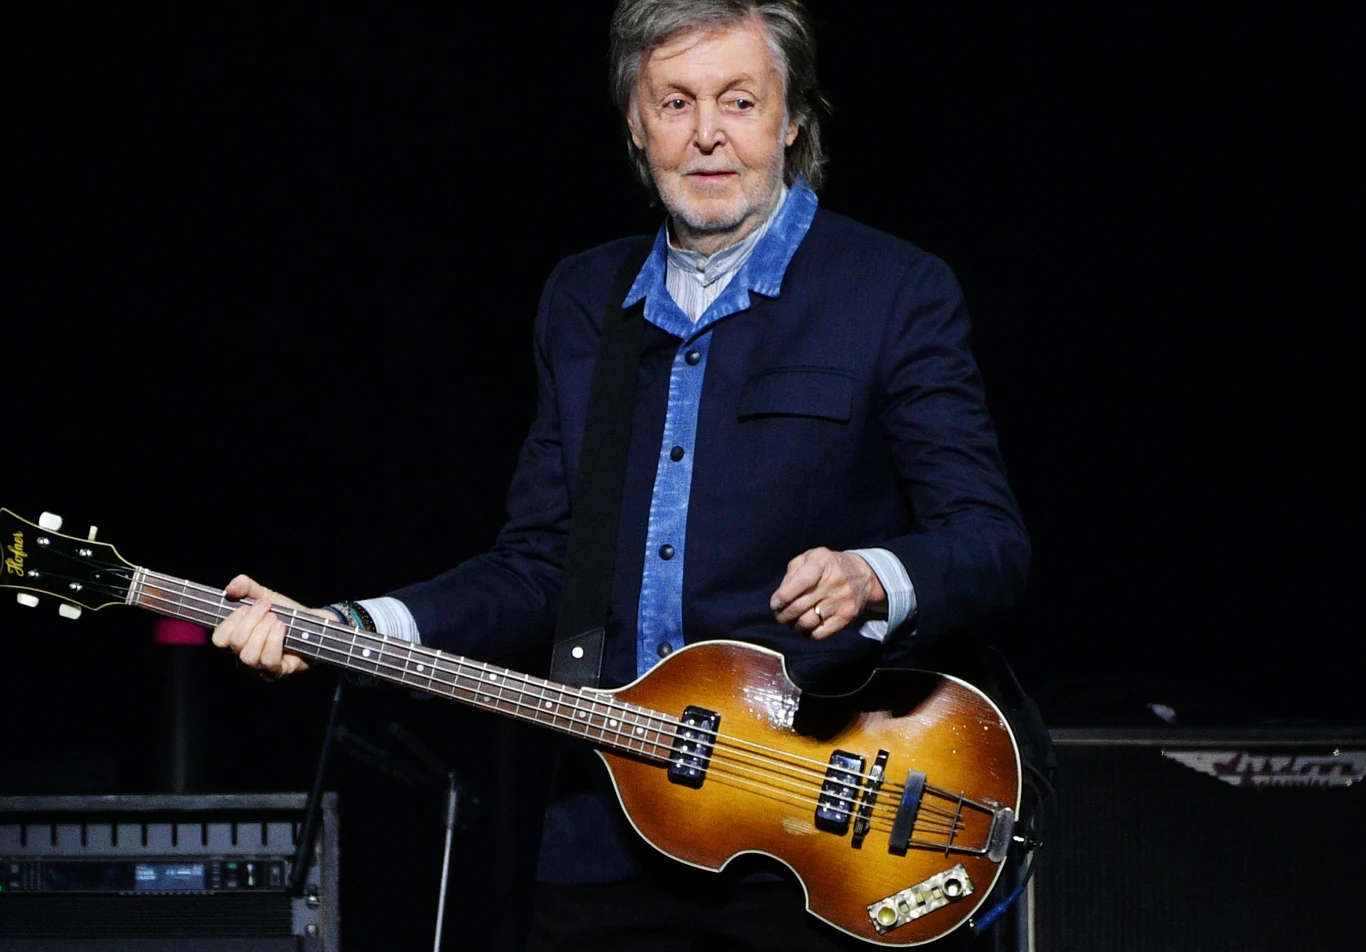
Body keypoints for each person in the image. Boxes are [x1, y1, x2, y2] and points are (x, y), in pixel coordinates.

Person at [213, 1, 1031, 948]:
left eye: (739, 100)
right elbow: (537, 567)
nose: (708, 133)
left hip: (814, 832)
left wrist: (873, 575)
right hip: (602, 839)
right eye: (675, 103)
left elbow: (990, 541)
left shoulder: (894, 290)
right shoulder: (582, 299)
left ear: (793, 119)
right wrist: (352, 628)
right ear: (637, 127)